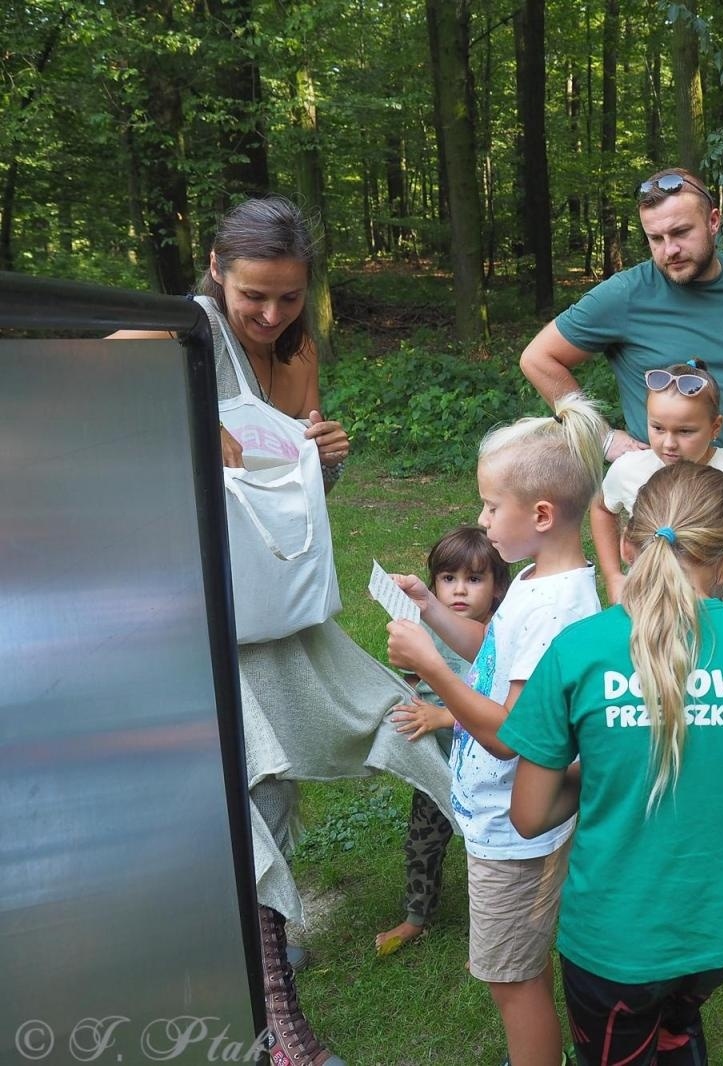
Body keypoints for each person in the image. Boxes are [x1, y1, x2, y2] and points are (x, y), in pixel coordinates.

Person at [114, 195, 455, 1066]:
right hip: (186, 609)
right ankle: (278, 1018)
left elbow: (286, 503)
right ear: (216, 269)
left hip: (274, 606)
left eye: (290, 298)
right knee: (252, 783)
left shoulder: (296, 354)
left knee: (389, 717)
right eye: (254, 297)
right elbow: (86, 421)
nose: (271, 317)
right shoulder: (172, 336)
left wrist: (324, 461)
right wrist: (186, 435)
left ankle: (259, 939)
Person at [498, 462, 723, 1066]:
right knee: (678, 1023)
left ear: (628, 543)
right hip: (714, 936)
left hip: (613, 943)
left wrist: (602, 766)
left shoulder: (579, 648)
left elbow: (529, 815)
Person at [386, 393, 607, 1066]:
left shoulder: (550, 608)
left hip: (513, 832)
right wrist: (429, 610)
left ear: (539, 515)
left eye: (489, 505)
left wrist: (432, 669)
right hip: (510, 818)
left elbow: (512, 733)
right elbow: (491, 653)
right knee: (525, 967)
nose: (481, 518)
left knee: (511, 982)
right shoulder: (545, 582)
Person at [519, 167, 723, 642]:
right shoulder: (626, 294)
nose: (669, 250)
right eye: (655, 238)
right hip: (664, 513)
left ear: (714, 221)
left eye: (680, 232)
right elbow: (539, 358)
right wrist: (603, 436)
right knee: (661, 649)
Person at [591, 360, 723, 639]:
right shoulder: (628, 470)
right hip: (649, 620)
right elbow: (601, 507)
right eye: (657, 427)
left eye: (685, 431)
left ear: (715, 426)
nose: (669, 443)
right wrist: (612, 575)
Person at [375, 525, 511, 956]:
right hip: (439, 767)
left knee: (488, 852)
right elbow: (415, 677)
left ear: (497, 587)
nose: (459, 591)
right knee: (423, 843)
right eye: (448, 579)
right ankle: (416, 917)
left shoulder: (501, 638)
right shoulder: (429, 630)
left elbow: (500, 704)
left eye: (474, 580)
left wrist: (440, 716)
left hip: (489, 771)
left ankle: (494, 931)